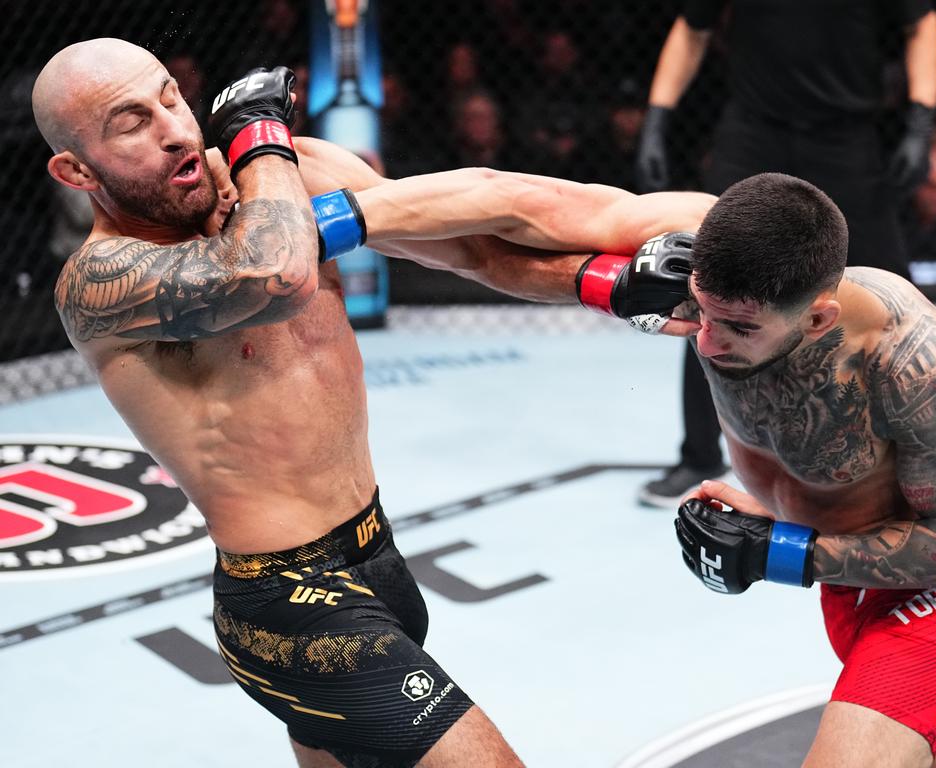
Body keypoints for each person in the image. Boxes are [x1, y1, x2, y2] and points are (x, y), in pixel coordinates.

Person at [34, 38, 713, 768]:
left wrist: (604, 284)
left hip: (377, 557)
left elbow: (472, 246)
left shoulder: (287, 175)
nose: (173, 127)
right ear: (75, 170)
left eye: (170, 95)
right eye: (131, 123)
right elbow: (273, 271)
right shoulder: (102, 281)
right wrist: (265, 144)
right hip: (285, 604)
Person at [667, 172, 936, 766]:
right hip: (847, 586)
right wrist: (599, 282)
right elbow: (526, 211)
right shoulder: (700, 278)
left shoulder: (912, 358)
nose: (705, 342)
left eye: (740, 328)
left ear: (817, 320)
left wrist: (778, 550)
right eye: (702, 313)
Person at [635, 1, 936, 507]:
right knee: (710, 287)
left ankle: (921, 454)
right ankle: (698, 454)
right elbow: (691, 29)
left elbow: (922, 24)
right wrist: (657, 117)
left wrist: (921, 122)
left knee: (896, 300)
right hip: (755, 132)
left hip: (845, 137)